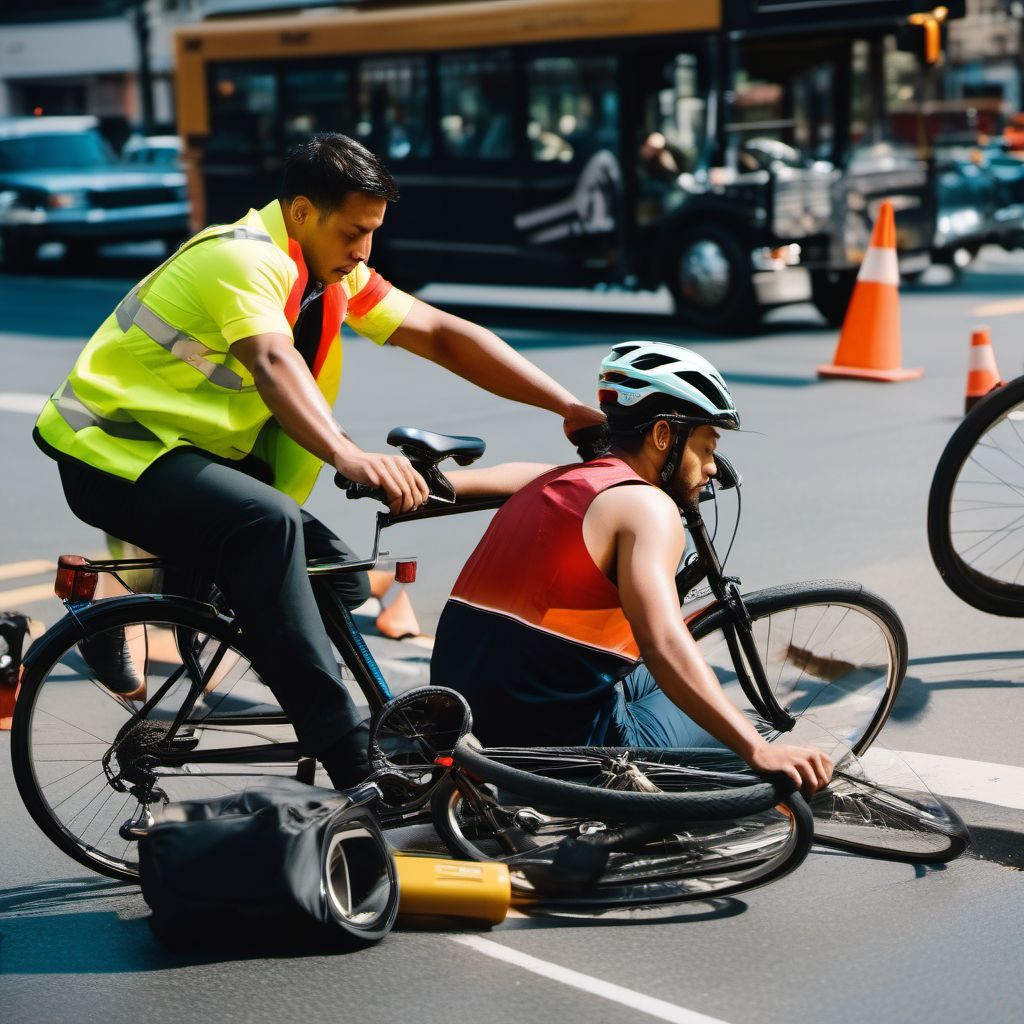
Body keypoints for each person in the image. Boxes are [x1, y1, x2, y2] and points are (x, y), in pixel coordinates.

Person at [33, 132, 603, 788]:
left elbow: (443, 335)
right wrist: (348, 455)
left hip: (185, 456)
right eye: (355, 232)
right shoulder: (242, 261)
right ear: (303, 213)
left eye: (373, 234)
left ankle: (163, 599)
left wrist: (565, 404)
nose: (364, 252)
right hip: (107, 454)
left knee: (338, 578)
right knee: (267, 528)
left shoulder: (331, 273)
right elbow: (273, 363)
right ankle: (353, 760)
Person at [433, 342, 833, 798]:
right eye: (706, 447)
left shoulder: (554, 480)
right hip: (546, 750)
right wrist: (756, 751)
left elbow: (478, 480)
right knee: (741, 733)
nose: (710, 469)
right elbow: (661, 642)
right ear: (663, 435)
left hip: (462, 716)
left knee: (665, 679)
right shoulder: (647, 508)